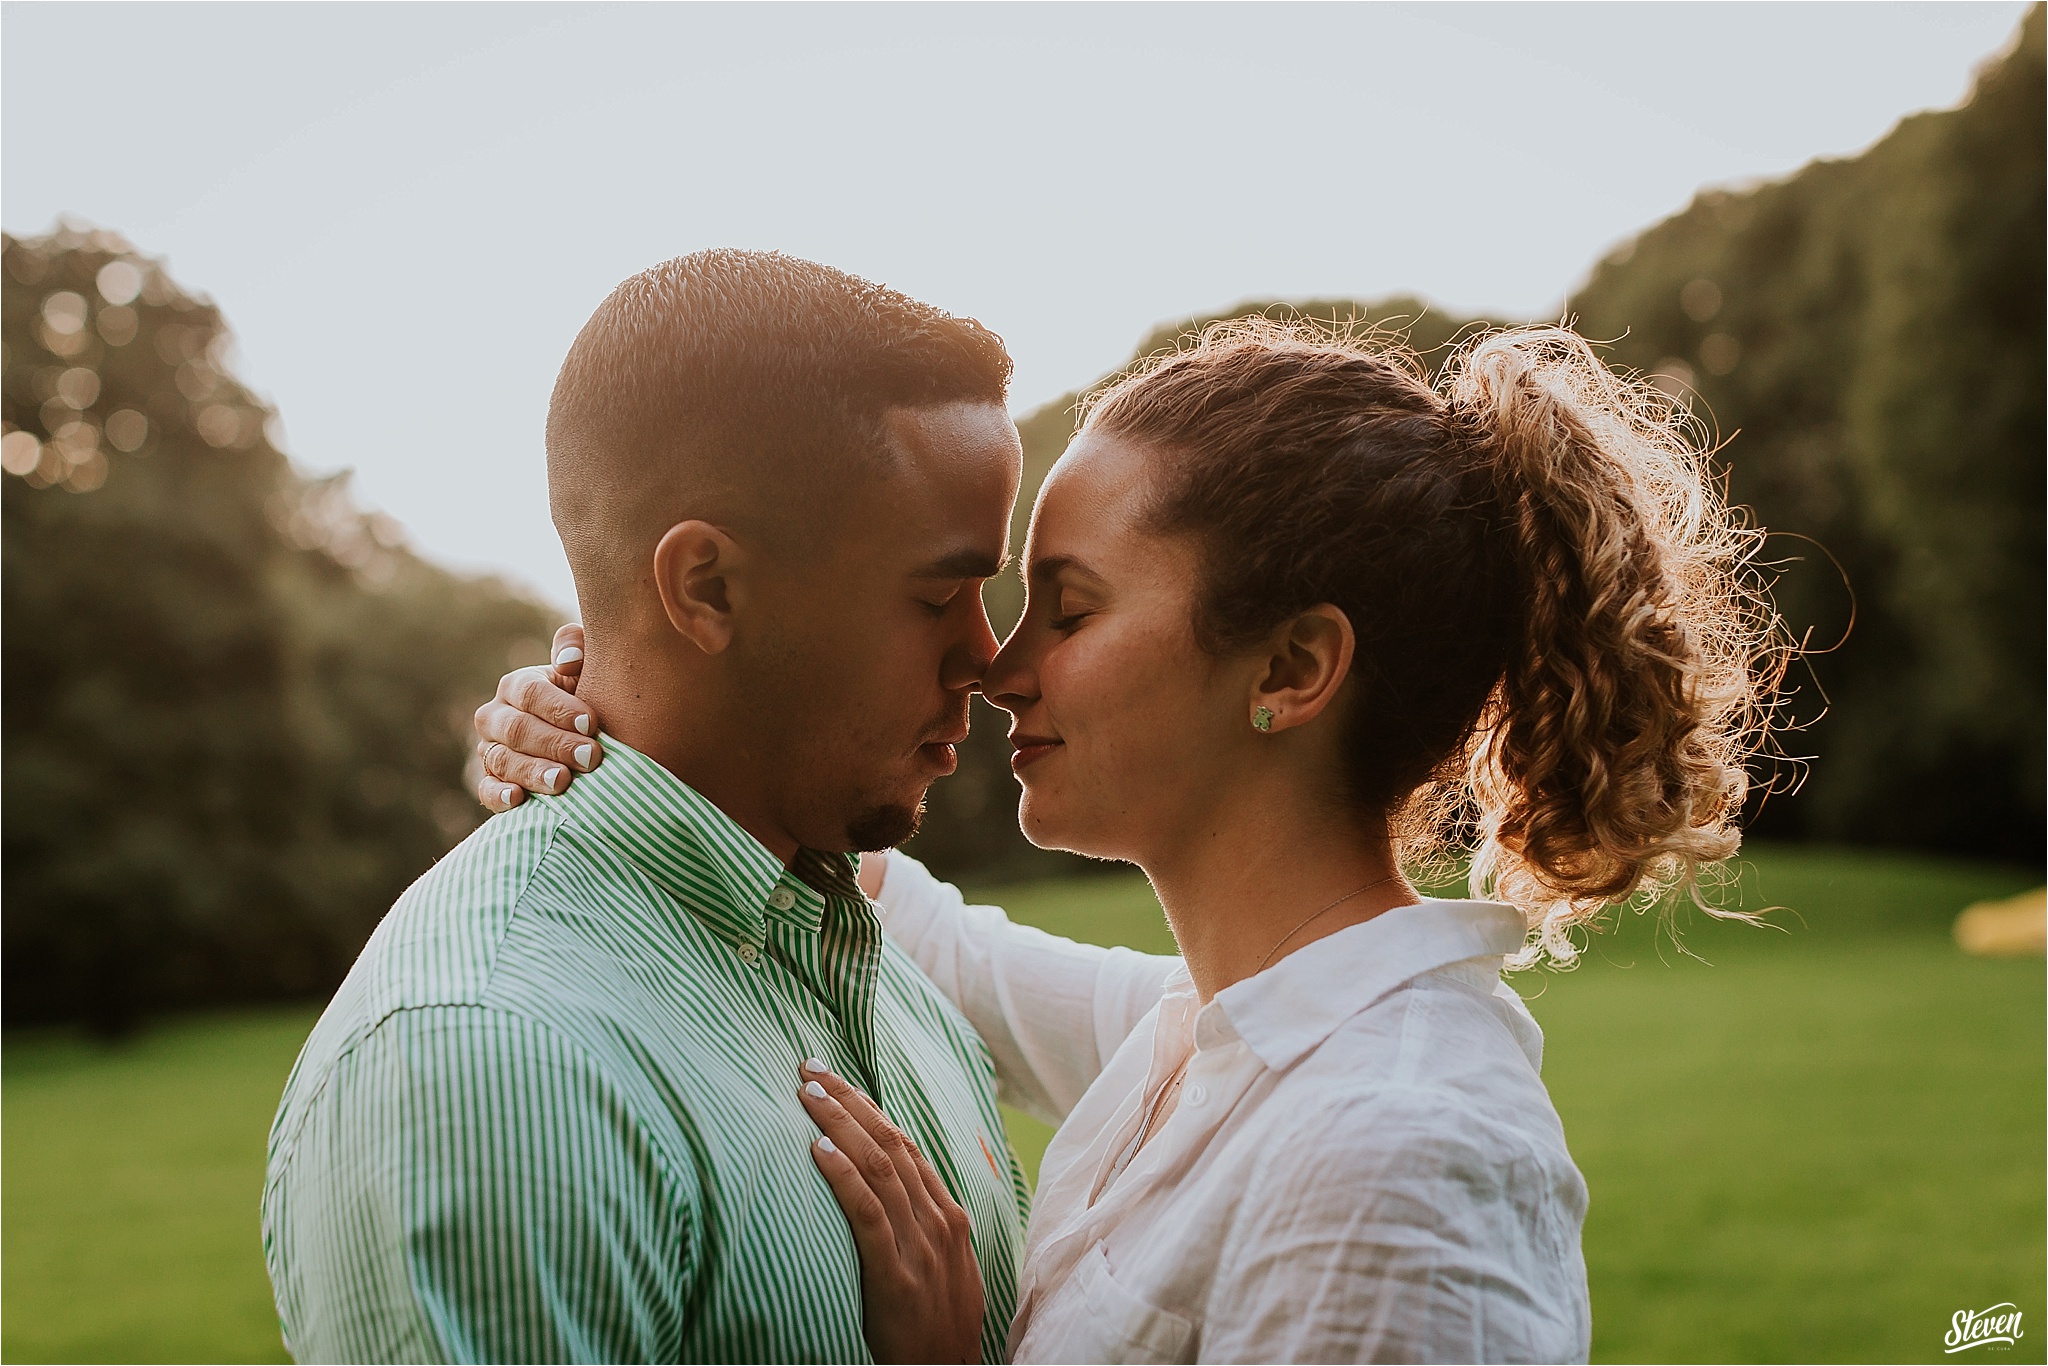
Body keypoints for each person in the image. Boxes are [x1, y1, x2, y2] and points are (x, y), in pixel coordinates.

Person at [479, 319, 1781, 1362]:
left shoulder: (1393, 1154)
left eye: (1072, 607)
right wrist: (617, 709)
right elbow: (912, 922)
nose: (1001, 667)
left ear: (1292, 663)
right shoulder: (1213, 1029)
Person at [264, 250, 1035, 1364]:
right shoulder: (488, 1068)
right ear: (706, 589)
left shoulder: (868, 958)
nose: (984, 654)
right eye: (936, 596)